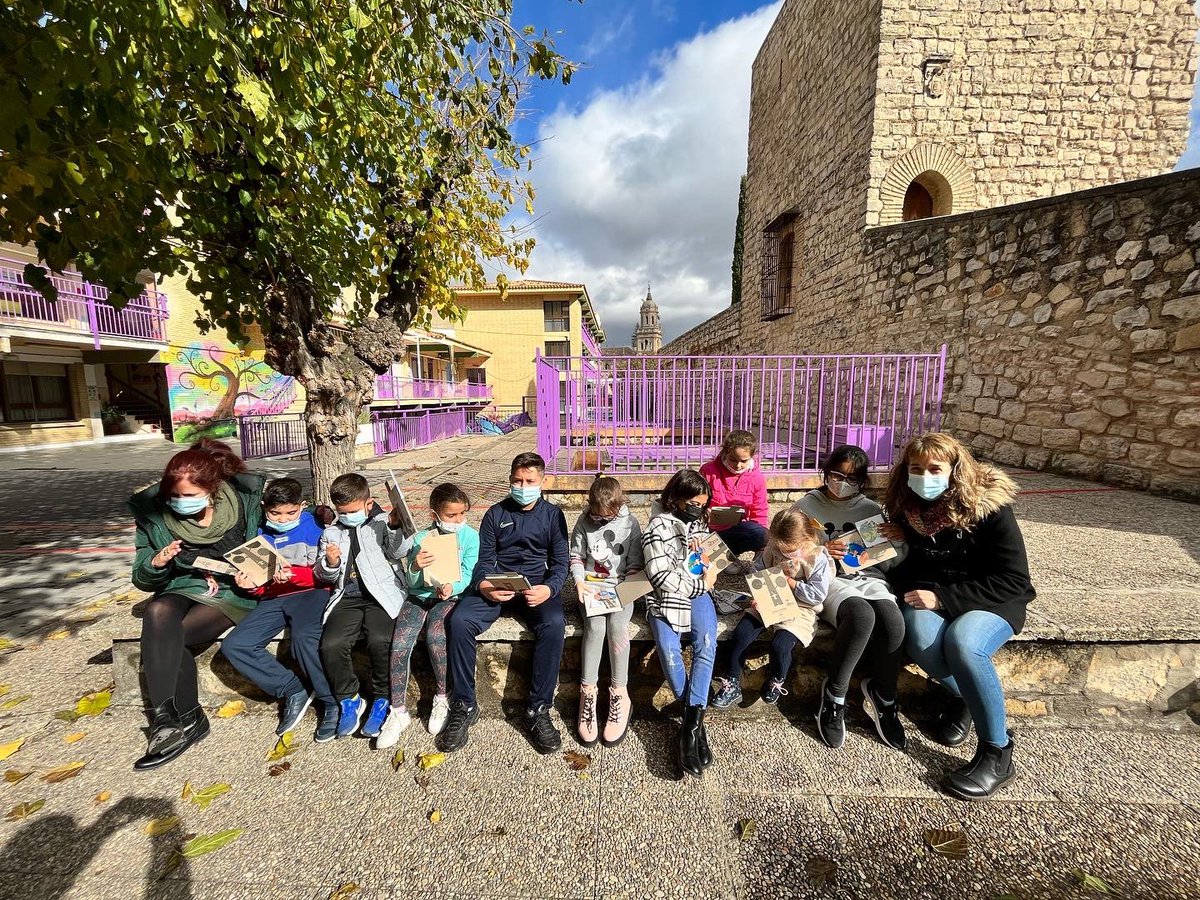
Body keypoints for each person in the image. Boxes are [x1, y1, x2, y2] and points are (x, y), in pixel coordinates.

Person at [884, 432, 1036, 801]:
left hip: (991, 600)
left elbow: (1015, 580)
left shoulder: (990, 509)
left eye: (935, 468)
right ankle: (969, 698)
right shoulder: (907, 509)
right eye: (916, 469)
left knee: (964, 644)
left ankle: (997, 753)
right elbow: (911, 571)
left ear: (955, 469)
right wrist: (893, 545)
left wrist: (942, 598)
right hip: (931, 596)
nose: (925, 476)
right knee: (918, 637)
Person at [128, 439, 263, 770]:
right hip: (183, 584)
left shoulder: (244, 501)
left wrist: (257, 576)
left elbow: (268, 546)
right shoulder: (154, 514)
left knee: (169, 640)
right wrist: (156, 563)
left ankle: (187, 717)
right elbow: (142, 577)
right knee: (158, 611)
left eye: (189, 496)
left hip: (233, 591)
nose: (180, 502)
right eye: (174, 496)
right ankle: (166, 722)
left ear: (213, 489)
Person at [438, 452, 569, 754]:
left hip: (536, 588)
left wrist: (548, 589)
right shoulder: (495, 514)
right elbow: (484, 562)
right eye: (517, 481)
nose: (523, 486)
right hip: (498, 586)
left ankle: (538, 709)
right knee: (459, 621)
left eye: (529, 481)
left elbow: (560, 564)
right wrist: (485, 586)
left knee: (554, 625)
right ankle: (464, 705)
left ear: (542, 482)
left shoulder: (553, 516)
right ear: (510, 480)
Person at [793, 445, 909, 751]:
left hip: (870, 579)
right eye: (837, 475)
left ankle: (885, 696)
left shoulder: (869, 509)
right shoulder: (806, 506)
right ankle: (835, 695)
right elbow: (787, 549)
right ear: (826, 472)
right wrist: (820, 552)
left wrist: (897, 541)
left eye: (852, 478)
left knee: (893, 620)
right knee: (860, 616)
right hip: (830, 581)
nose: (843, 482)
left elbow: (888, 562)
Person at [220, 478, 338, 743]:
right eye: (275, 513)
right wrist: (250, 586)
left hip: (312, 594)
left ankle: (330, 701)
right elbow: (261, 584)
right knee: (236, 645)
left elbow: (327, 575)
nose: (282, 519)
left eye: (290, 512)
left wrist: (294, 576)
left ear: (302, 506)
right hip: (273, 600)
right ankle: (291, 688)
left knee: (304, 639)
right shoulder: (260, 533)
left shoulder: (317, 527)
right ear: (264, 508)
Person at [376, 483, 480, 748]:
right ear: (435, 514)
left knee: (436, 635)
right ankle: (397, 711)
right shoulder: (422, 538)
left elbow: (468, 574)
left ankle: (442, 697)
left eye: (461, 514)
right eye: (450, 515)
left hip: (450, 597)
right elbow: (412, 581)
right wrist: (414, 566)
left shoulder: (469, 537)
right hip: (420, 596)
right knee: (399, 644)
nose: (457, 520)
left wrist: (452, 587)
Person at [316, 473, 409, 741]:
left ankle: (382, 697)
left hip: (382, 595)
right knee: (331, 644)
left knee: (381, 640)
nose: (348, 516)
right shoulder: (331, 533)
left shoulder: (380, 523)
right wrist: (330, 563)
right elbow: (326, 576)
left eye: (354, 511)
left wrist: (394, 526)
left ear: (369, 504)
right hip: (348, 597)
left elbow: (398, 552)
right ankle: (349, 698)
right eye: (342, 512)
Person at [710, 510, 832, 711]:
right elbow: (757, 570)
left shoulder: (816, 558)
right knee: (742, 633)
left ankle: (777, 679)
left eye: (789, 549)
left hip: (801, 608)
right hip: (770, 598)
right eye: (780, 548)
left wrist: (792, 583)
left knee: (781, 644)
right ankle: (732, 681)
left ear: (805, 539)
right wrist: (759, 592)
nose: (783, 553)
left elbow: (817, 595)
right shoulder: (773, 547)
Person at [643, 469, 720, 779]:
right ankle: (693, 718)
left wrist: (707, 559)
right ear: (675, 499)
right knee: (668, 647)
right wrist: (703, 584)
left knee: (706, 643)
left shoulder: (699, 527)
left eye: (702, 504)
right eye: (693, 502)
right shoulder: (657, 527)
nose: (697, 509)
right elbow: (660, 578)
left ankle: (690, 725)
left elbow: (714, 562)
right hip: (669, 598)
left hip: (698, 595)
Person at [569, 476, 645, 747]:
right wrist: (579, 581)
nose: (601, 521)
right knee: (596, 627)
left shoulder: (631, 523)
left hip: (622, 587)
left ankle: (619, 692)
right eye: (597, 517)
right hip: (590, 587)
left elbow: (635, 565)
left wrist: (625, 589)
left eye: (607, 518)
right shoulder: (583, 521)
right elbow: (576, 556)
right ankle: (587, 693)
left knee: (617, 627)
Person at [699, 430, 769, 563]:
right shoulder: (708, 471)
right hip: (708, 530)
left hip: (736, 531)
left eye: (744, 461)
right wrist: (704, 512)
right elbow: (697, 499)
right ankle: (723, 558)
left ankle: (755, 561)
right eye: (733, 459)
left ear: (752, 457)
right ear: (725, 453)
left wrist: (760, 538)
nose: (738, 465)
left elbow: (759, 511)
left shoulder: (757, 478)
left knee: (763, 534)